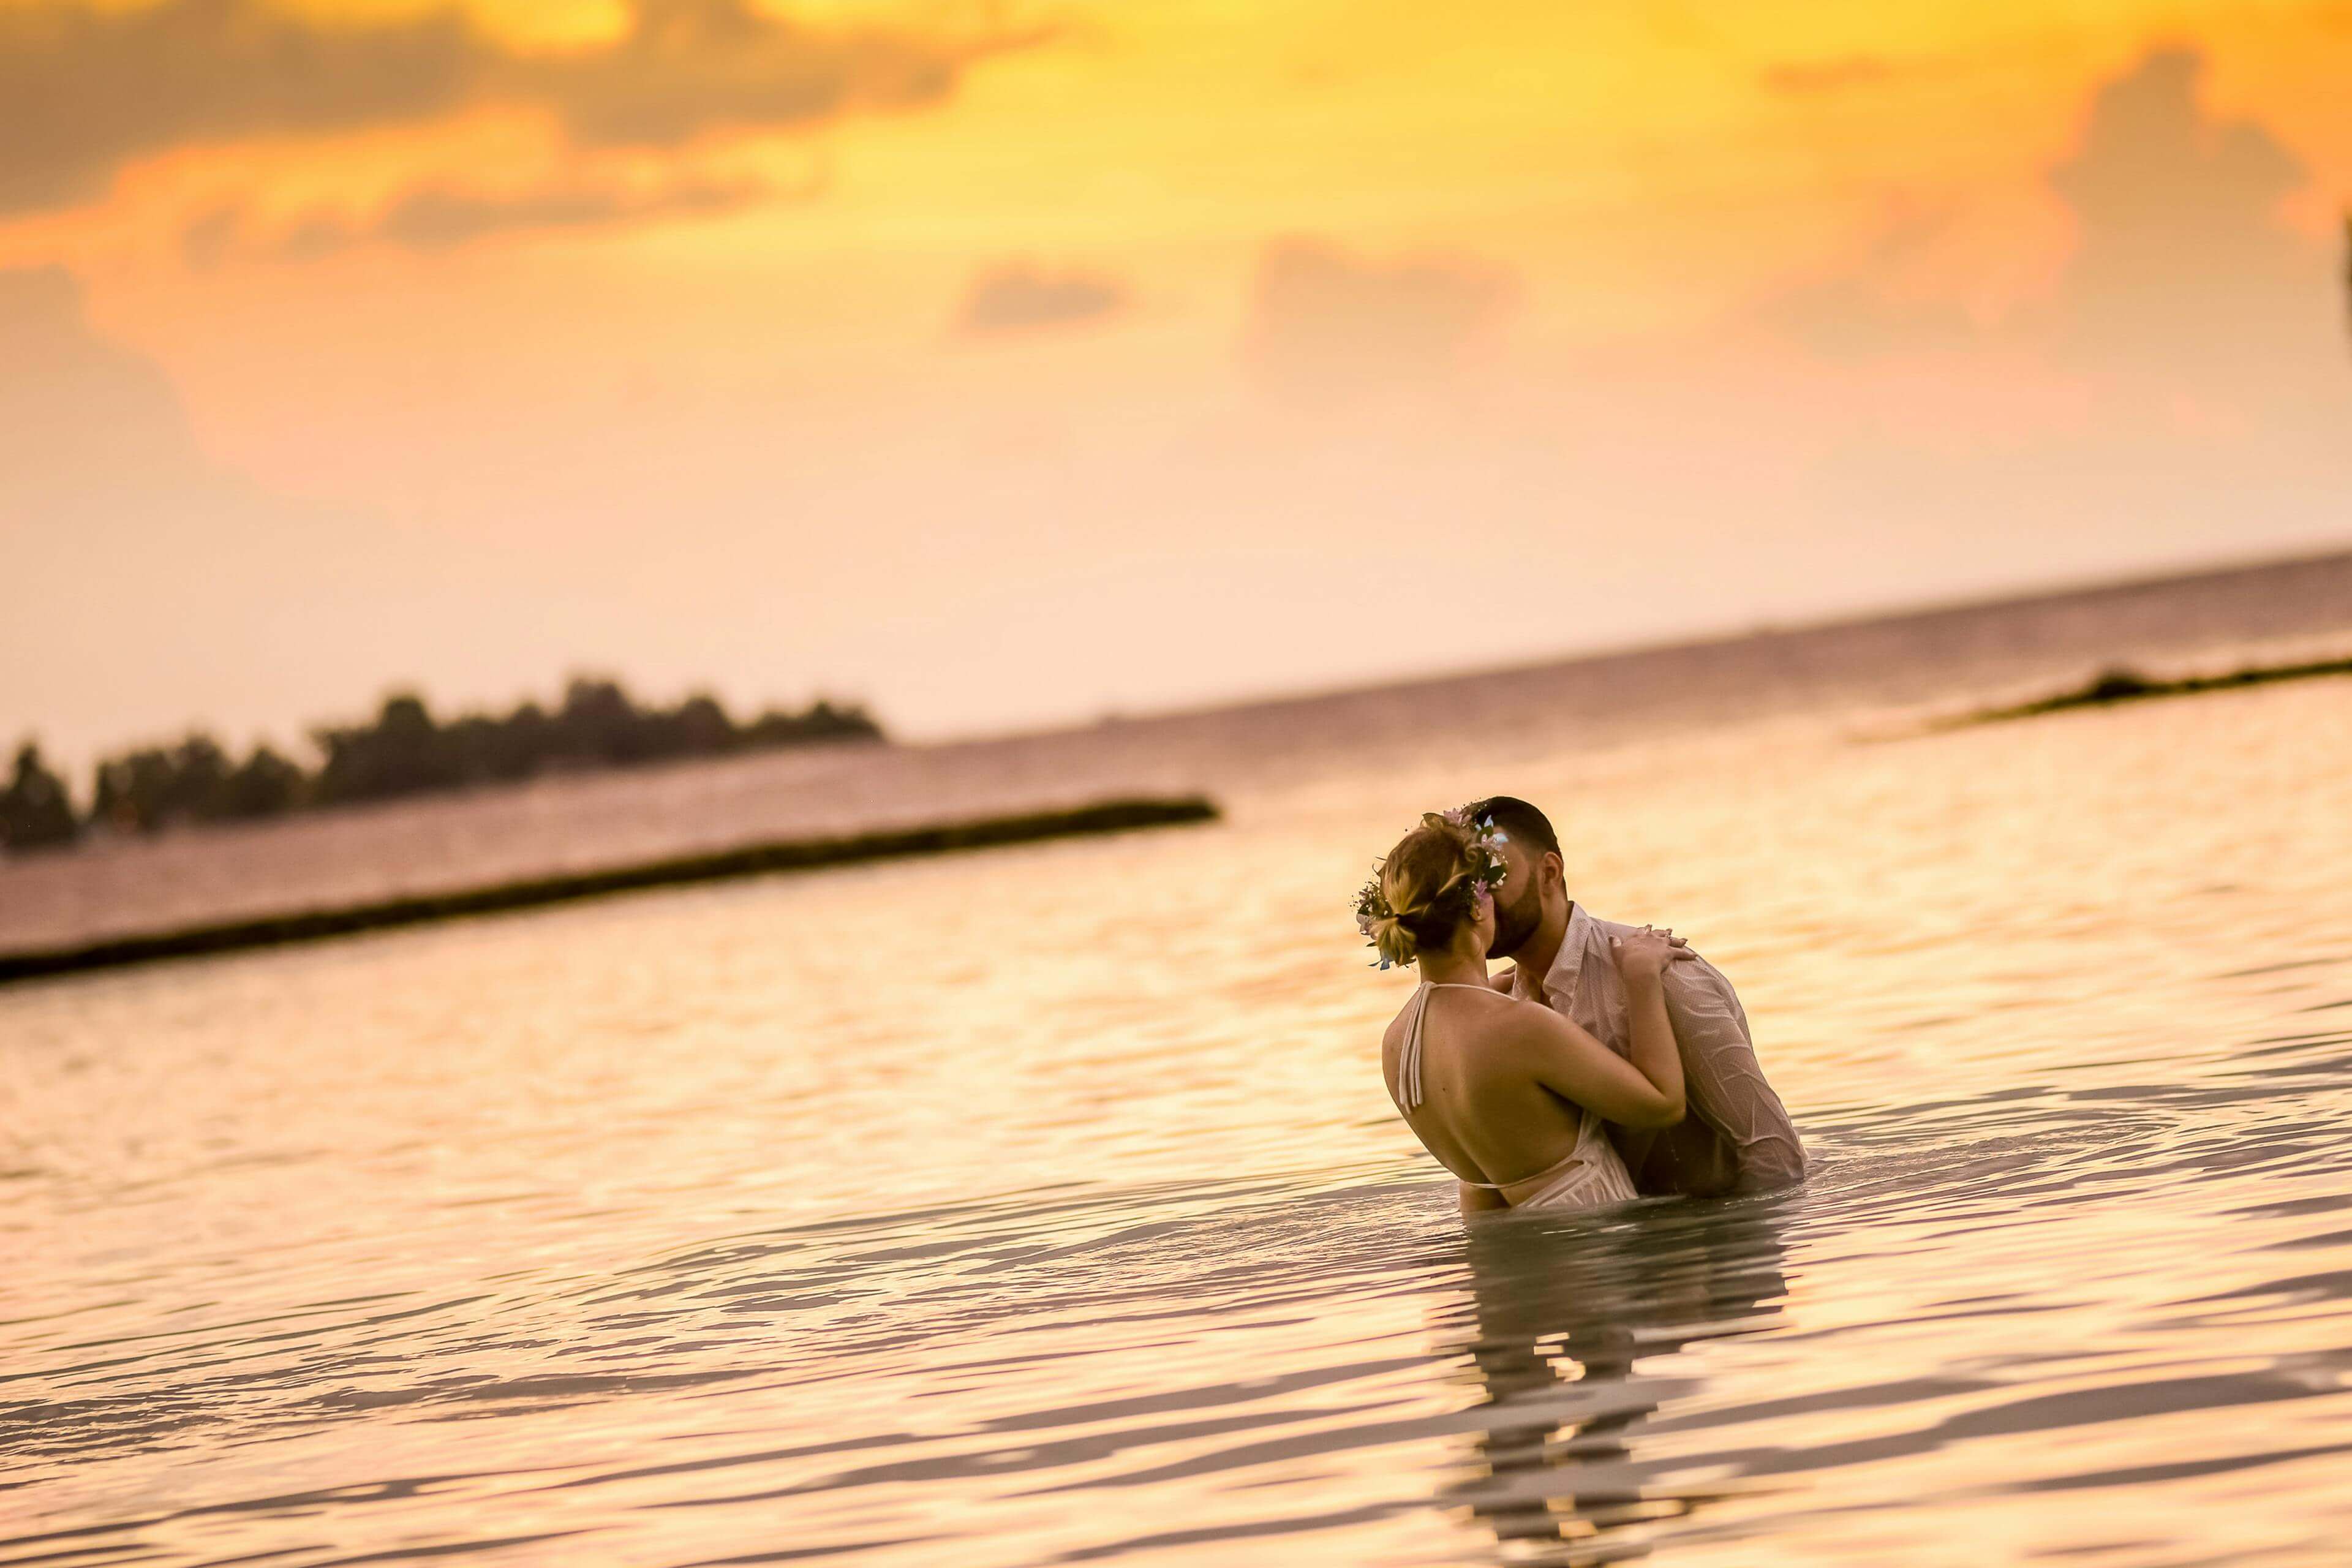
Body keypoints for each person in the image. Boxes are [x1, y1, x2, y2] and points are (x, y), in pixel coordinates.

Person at [1466, 794, 1806, 1197]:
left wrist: (1738, 1255)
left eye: (1493, 877)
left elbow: (1776, 1155)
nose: (1478, 900)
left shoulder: (1666, 975)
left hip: (1714, 1244)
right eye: (1465, 885)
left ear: (1550, 872)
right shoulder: (1506, 1006)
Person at [1359, 810, 1695, 1213]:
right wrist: (1642, 979)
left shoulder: (1396, 1043)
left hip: (1498, 1269)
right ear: (1478, 908)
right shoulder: (1518, 1027)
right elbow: (1662, 1104)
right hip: (1594, 1261)